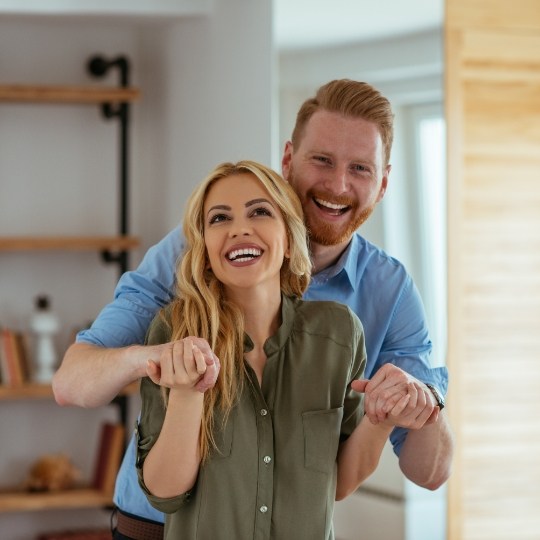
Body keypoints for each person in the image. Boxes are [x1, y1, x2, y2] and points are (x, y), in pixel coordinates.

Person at [53, 79, 453, 540]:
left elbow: (429, 471)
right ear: (288, 160)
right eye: (322, 159)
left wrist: (420, 403)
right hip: (154, 529)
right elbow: (71, 384)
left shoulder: (383, 297)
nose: (338, 184)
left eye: (360, 168)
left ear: (382, 184)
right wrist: (157, 359)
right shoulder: (193, 254)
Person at [136, 160, 411, 538]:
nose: (240, 229)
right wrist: (187, 393)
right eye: (219, 219)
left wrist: (382, 419)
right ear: (206, 247)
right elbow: (165, 493)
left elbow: (339, 484)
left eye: (260, 212)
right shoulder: (175, 331)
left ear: (288, 237)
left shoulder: (339, 334)